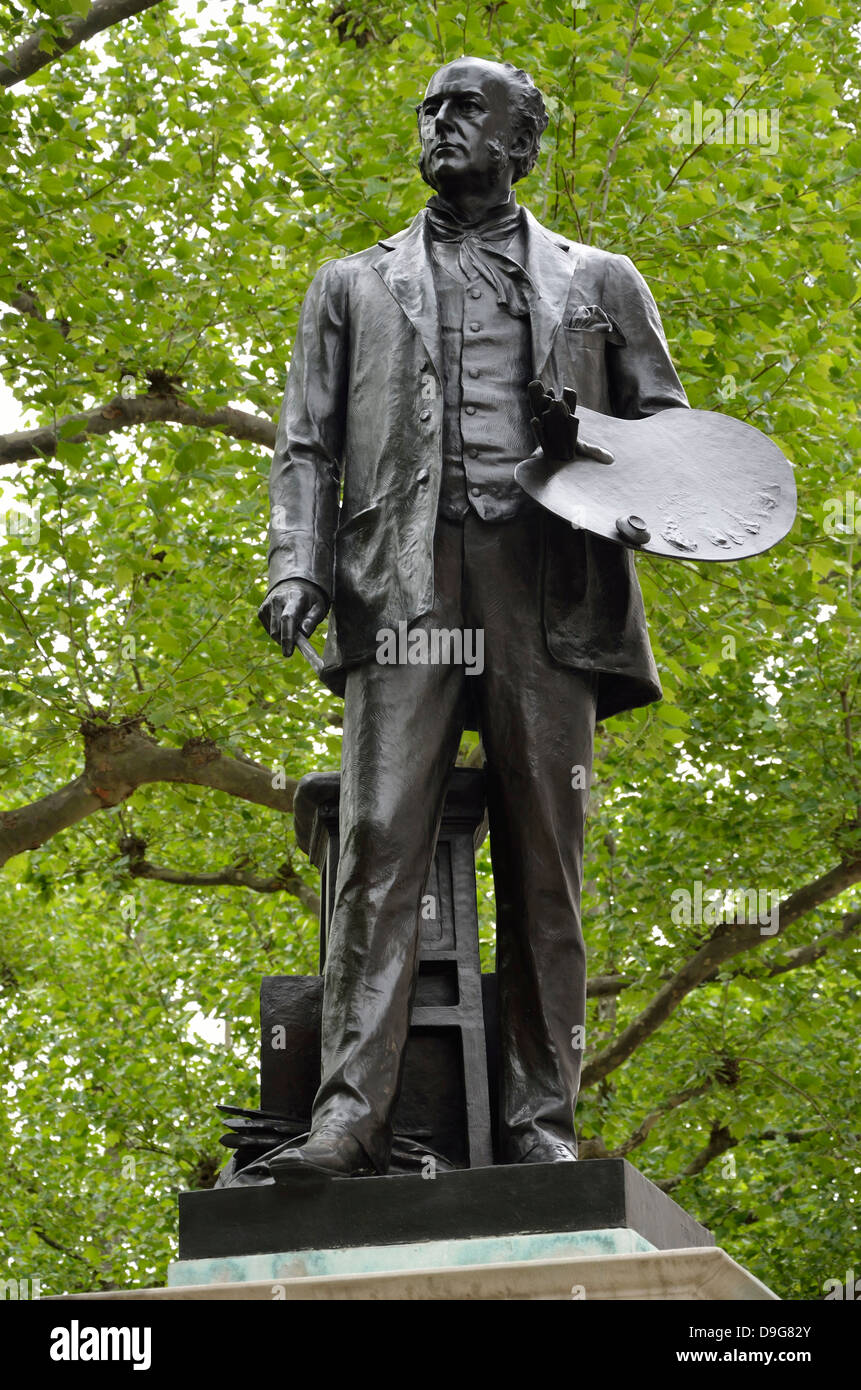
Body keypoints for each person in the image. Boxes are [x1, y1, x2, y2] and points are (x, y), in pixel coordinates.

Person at [258, 56, 688, 1182]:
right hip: (401, 586)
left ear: (522, 142)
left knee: (550, 861)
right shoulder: (351, 284)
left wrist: (601, 459)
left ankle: (542, 1118)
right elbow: (306, 445)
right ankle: (349, 1115)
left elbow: (673, 445)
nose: (439, 124)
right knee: (377, 847)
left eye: (465, 110)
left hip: (546, 586)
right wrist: (296, 564)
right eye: (430, 110)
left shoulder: (603, 280)